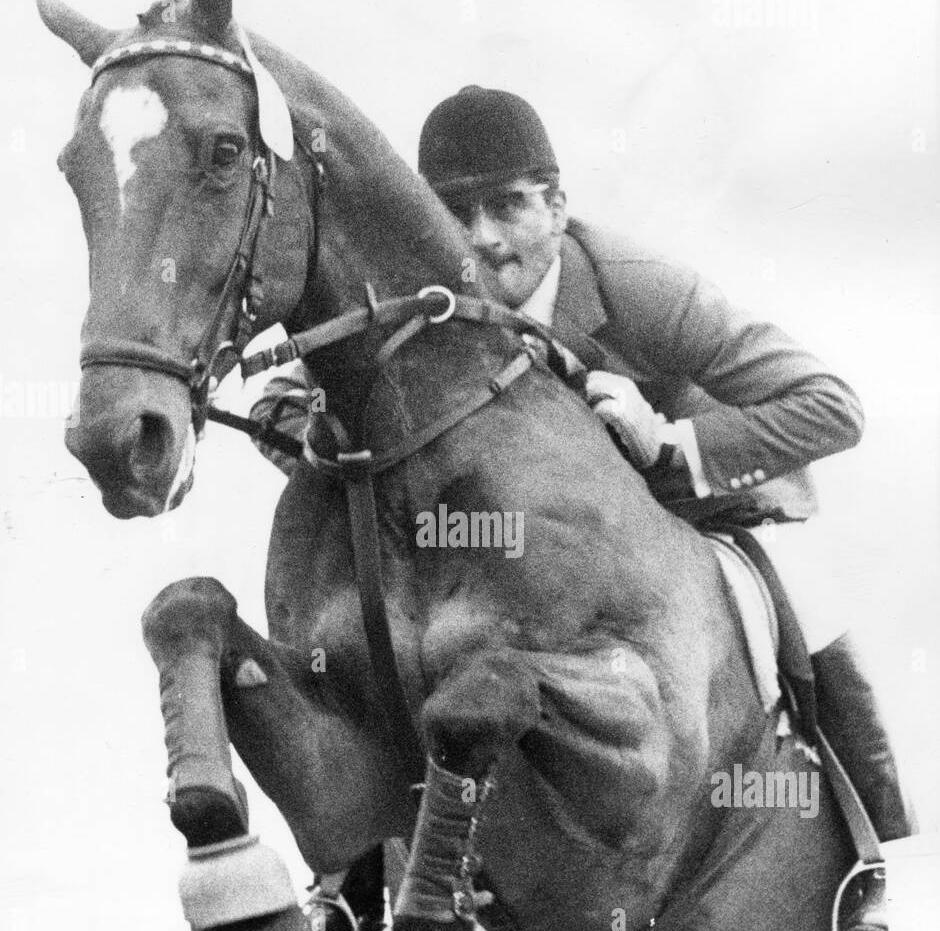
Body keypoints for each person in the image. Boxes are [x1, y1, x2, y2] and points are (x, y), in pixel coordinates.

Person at [249, 85, 912, 859]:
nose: (484, 239)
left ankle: (874, 852)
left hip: (683, 503)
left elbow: (832, 405)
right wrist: (302, 422)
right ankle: (358, 884)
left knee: (806, 585)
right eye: (455, 214)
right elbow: (284, 395)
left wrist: (669, 441)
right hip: (531, 549)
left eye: (508, 206)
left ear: (558, 205)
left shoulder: (638, 284)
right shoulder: (419, 290)